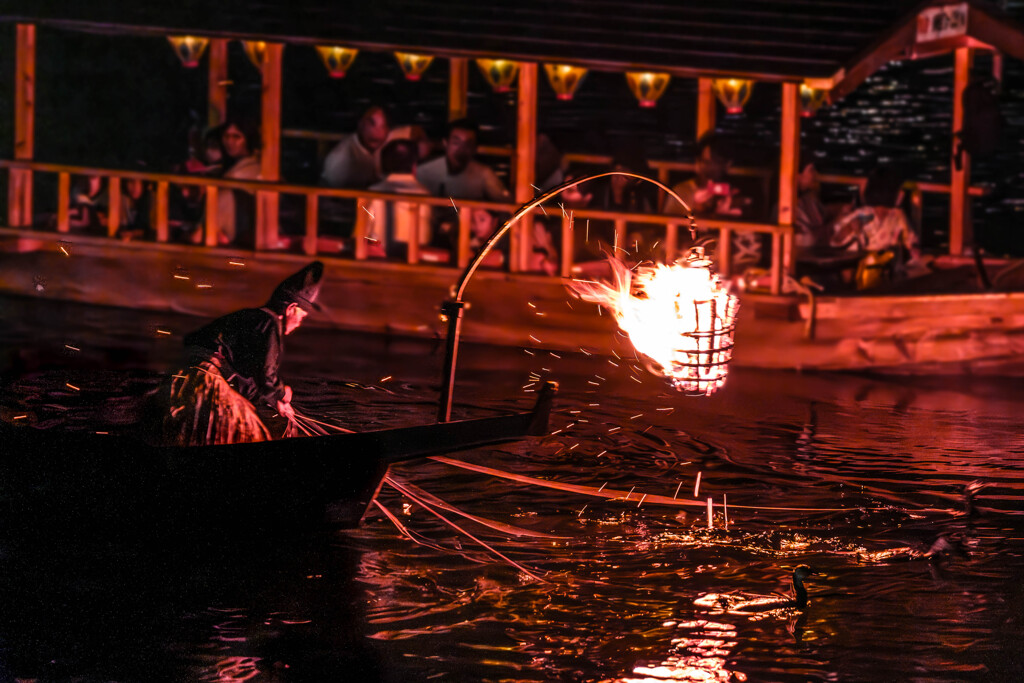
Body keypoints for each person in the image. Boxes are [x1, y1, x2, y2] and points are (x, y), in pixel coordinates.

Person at [163, 261, 325, 446]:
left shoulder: (253, 318)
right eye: (301, 317)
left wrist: (275, 401)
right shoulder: (270, 323)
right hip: (207, 374)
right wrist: (281, 393)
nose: (299, 324)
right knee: (249, 434)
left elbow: (249, 376)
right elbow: (266, 375)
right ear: (290, 309)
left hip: (191, 370)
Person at [831, 165, 921, 288]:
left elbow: (910, 239)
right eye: (898, 190)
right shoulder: (867, 214)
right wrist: (849, 228)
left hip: (881, 274)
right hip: (875, 275)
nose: (901, 194)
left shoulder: (895, 215)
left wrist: (913, 248)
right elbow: (835, 240)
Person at [366, 138, 431, 260]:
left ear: (382, 165)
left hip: (377, 262)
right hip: (418, 263)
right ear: (414, 166)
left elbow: (362, 236)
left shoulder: (372, 193)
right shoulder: (426, 194)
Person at [415, 118, 510, 201]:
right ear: (445, 143)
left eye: (468, 144)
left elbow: (505, 205)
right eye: (456, 143)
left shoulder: (484, 174)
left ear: (475, 148)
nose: (462, 149)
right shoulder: (424, 172)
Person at [214, 116, 262, 246]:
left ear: (248, 139)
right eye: (226, 136)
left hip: (244, 231)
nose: (230, 141)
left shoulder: (251, 169)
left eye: (236, 137)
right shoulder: (229, 165)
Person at [321, 105, 390, 189]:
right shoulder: (340, 160)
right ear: (360, 124)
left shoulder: (388, 144)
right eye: (371, 124)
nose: (378, 132)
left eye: (383, 126)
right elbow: (341, 198)